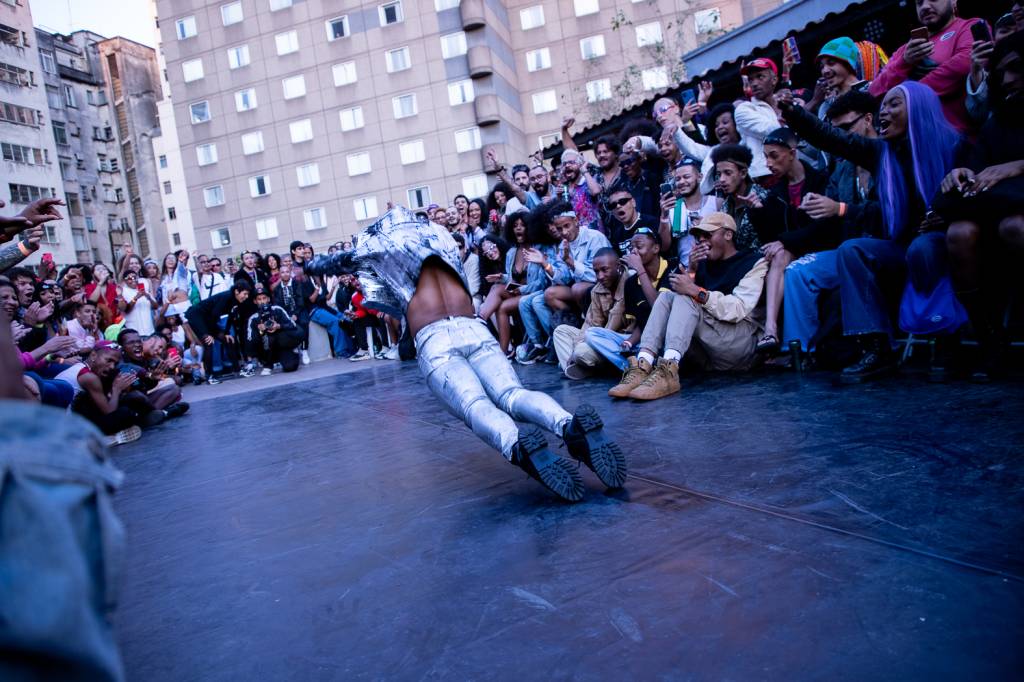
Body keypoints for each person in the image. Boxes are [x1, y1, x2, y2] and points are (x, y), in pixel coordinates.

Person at [306, 206, 627, 502]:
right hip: (472, 327)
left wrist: (323, 261)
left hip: (435, 338)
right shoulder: (441, 236)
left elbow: (322, 264)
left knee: (476, 405)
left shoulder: (384, 243)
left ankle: (517, 445)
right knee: (512, 393)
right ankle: (569, 426)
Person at [778, 81, 962, 382]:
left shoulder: (953, 145)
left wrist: (946, 214)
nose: (883, 112)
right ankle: (876, 347)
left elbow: (972, 188)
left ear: (918, 108)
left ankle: (943, 338)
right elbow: (832, 139)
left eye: (894, 104)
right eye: (883, 106)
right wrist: (794, 114)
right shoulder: (881, 152)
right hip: (899, 246)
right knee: (853, 250)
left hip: (943, 242)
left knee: (924, 247)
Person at [937, 31, 1024, 380]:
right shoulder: (998, 121)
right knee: (959, 233)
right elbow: (980, 167)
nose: (1008, 80)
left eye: (1017, 69)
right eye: (1001, 73)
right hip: (997, 212)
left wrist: (1018, 166)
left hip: (1012, 218)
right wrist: (961, 174)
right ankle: (990, 336)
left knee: (1015, 227)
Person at [608, 213, 768, 401]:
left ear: (728, 234)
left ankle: (668, 369)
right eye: (699, 237)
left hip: (741, 345)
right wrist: (692, 271)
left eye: (708, 235)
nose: (702, 241)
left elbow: (738, 309)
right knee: (667, 296)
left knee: (687, 297)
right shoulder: (703, 265)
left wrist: (695, 291)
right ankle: (643, 365)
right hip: (710, 351)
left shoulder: (753, 262)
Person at [749, 127, 828, 353]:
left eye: (774, 156)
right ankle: (770, 330)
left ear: (792, 153)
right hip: (792, 251)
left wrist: (784, 241)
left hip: (821, 248)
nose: (768, 163)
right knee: (777, 255)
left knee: (782, 254)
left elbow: (823, 228)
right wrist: (757, 212)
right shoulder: (777, 191)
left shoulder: (819, 181)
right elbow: (770, 238)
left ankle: (774, 332)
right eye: (766, 157)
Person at [869, 0, 982, 133]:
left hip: (960, 136)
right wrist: (904, 62)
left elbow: (963, 65)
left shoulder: (969, 26)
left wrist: (908, 98)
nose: (925, 6)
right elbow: (874, 92)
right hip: (917, 140)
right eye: (919, 3)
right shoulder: (906, 50)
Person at [551, 247, 631, 379]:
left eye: (604, 270)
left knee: (581, 351)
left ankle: (582, 366)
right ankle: (577, 367)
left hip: (623, 342)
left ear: (618, 266)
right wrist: (578, 344)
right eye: (596, 271)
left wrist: (579, 348)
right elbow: (591, 323)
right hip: (598, 338)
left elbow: (611, 327)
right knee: (561, 331)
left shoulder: (630, 283)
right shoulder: (597, 290)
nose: (600, 276)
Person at [184, 280, 252, 384]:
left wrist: (226, 333)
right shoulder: (226, 297)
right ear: (237, 291)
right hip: (197, 316)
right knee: (208, 343)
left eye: (247, 294)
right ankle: (209, 376)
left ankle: (237, 370)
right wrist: (209, 334)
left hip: (208, 319)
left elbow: (230, 317)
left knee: (228, 340)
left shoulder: (236, 301)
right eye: (245, 294)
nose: (246, 297)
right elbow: (214, 314)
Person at [660, 157, 720, 267]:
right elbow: (664, 247)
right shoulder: (673, 208)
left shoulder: (717, 203)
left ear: (699, 177)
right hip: (687, 269)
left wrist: (706, 227)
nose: (682, 182)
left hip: (716, 266)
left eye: (686, 177)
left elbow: (729, 236)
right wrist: (664, 217)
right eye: (678, 179)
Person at [734, 57, 783, 183]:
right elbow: (774, 132)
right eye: (751, 79)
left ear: (774, 80)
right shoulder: (744, 109)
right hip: (765, 177)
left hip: (794, 170)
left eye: (760, 77)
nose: (754, 83)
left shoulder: (786, 104)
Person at [711, 144, 768, 250]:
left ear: (743, 173)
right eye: (719, 174)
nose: (722, 179)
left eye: (728, 173)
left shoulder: (764, 198)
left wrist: (758, 212)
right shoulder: (726, 205)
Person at [245, 286, 303, 375]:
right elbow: (250, 340)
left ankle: (292, 350)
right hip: (267, 349)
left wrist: (278, 326)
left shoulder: (277, 309)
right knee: (266, 338)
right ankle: (268, 365)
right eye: (259, 299)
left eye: (264, 298)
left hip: (283, 345)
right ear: (255, 301)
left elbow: (293, 325)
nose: (262, 301)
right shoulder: (254, 318)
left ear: (268, 299)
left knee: (290, 367)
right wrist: (260, 331)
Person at [605, 187, 661, 257]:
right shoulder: (617, 235)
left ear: (633, 202)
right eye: (613, 205)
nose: (618, 206)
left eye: (622, 201)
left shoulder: (651, 222)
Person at [118, 269, 156, 336]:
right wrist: (135, 298)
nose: (133, 280)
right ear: (125, 281)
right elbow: (126, 310)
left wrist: (149, 298)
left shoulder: (144, 290)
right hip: (134, 332)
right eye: (130, 278)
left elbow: (156, 306)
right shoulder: (123, 292)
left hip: (150, 330)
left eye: (135, 277)